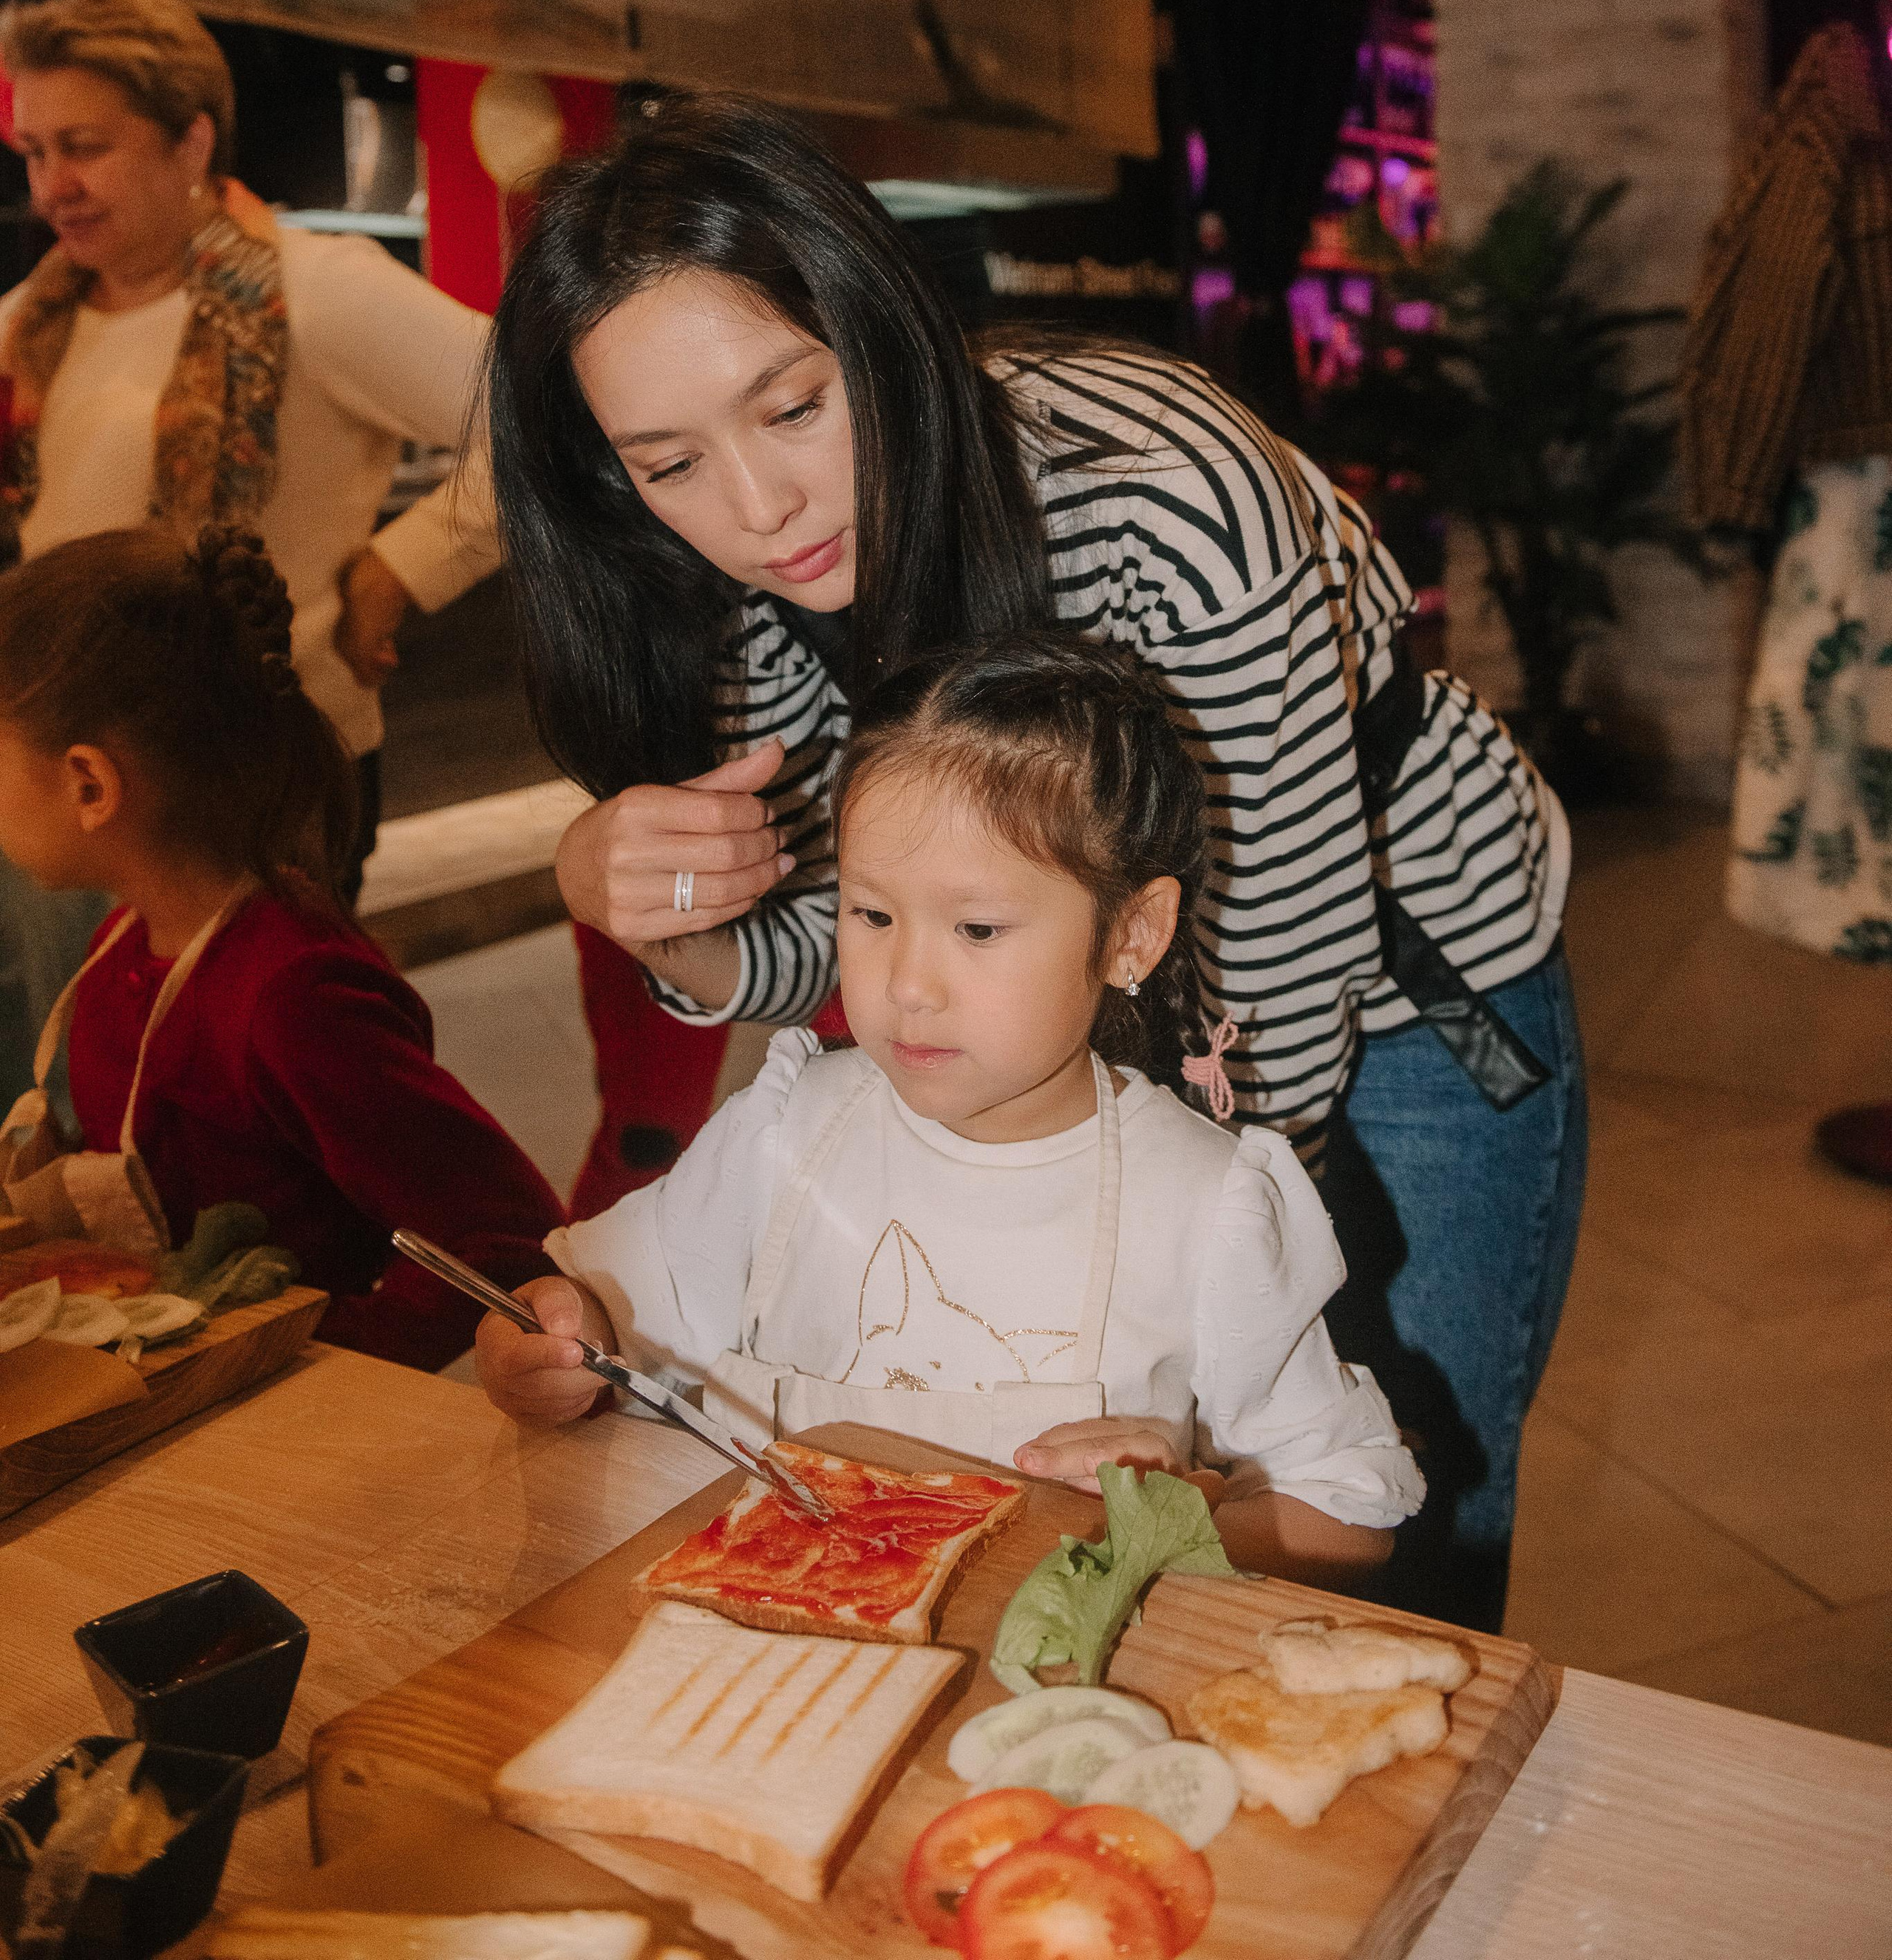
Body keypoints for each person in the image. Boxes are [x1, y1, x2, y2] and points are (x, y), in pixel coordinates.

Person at [486, 92, 1582, 1626]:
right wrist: (671, 928)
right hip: (1093, 992)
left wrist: (1211, 1344)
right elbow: (851, 933)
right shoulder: (728, 589)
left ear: (873, 325)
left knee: (1399, 1523)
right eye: (667, 465)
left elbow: (1275, 959)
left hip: (1392, 985)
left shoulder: (1163, 496)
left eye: (792, 407)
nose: (757, 510)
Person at [478, 634, 1421, 1575]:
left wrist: (1157, 1525)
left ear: (1131, 934)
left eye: (976, 929)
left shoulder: (1204, 1206)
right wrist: (546, 1352)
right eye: (871, 914)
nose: (908, 984)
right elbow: (586, 1312)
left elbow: (1345, 1515)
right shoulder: (786, 1131)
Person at [0, 0, 500, 1098]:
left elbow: (544, 429)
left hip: (255, 789)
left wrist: (402, 567)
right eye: (33, 153)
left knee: (246, 1113)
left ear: (191, 140)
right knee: (87, 1110)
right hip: (61, 795)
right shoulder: (32, 325)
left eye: (85, 146)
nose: (54, 188)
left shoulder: (315, 294)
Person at [0, 525, 562, 1370]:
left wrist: (303, 1357)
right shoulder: (126, 937)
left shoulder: (290, 993)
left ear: (89, 784)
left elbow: (502, 1235)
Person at [1682, 16, 1892, 1185]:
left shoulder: (1826, 139)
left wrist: (1731, 487)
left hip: (1869, 512)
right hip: (1866, 501)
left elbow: (1762, 314)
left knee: (1865, 785)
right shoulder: (1839, 127)